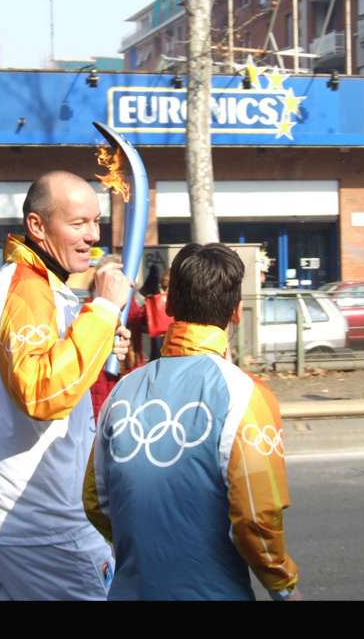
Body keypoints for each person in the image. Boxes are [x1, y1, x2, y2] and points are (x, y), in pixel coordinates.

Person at [0, 170, 132, 601]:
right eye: (78, 223)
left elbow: (51, 365)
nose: (92, 235)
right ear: (37, 226)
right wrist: (104, 309)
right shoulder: (28, 289)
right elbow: (42, 392)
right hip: (37, 518)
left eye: (96, 222)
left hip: (2, 509)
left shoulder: (31, 283)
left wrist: (98, 337)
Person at [83, 242, 300, 601]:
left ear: (168, 305)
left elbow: (94, 501)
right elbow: (257, 521)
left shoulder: (122, 390)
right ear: (237, 312)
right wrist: (285, 587)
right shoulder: (248, 395)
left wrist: (146, 543)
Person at [88, 253, 145, 422]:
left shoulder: (133, 309)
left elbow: (146, 319)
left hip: (130, 379)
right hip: (101, 384)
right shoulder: (92, 309)